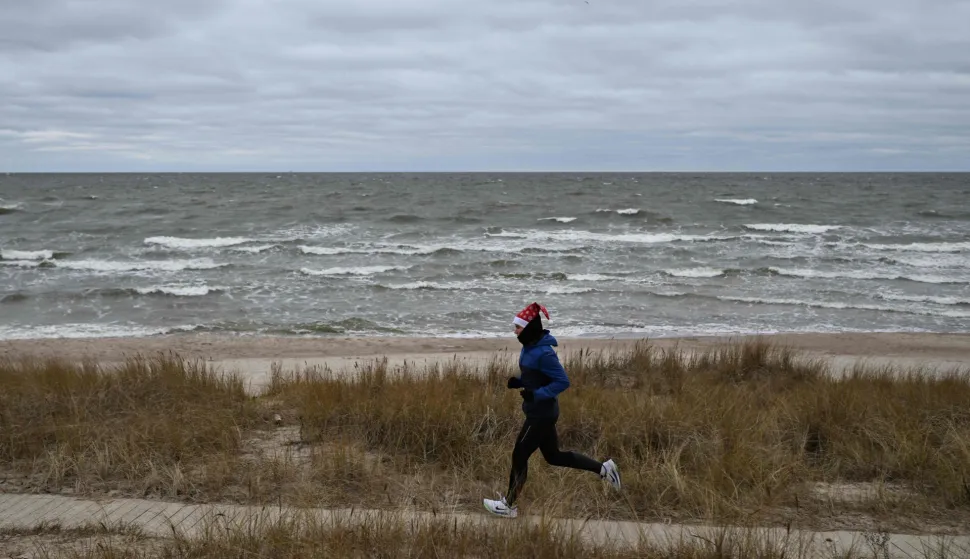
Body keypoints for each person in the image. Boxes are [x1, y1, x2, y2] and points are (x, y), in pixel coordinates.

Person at [483, 302, 621, 519]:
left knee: (519, 454)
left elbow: (562, 381)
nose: (514, 331)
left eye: (518, 327)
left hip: (542, 414)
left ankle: (509, 505)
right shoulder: (529, 347)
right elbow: (538, 377)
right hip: (538, 411)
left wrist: (536, 395)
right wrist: (520, 383)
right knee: (554, 456)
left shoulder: (544, 353)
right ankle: (604, 469)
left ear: (529, 328)